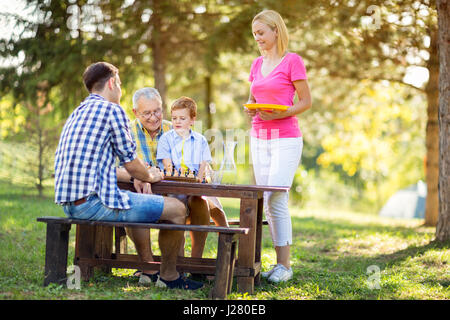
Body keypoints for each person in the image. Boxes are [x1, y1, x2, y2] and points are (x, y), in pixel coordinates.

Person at [54, 62, 203, 290]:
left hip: (69, 203)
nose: (120, 89)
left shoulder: (78, 112)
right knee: (177, 209)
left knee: (139, 201)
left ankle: (151, 269)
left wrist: (139, 174)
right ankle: (169, 277)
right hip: (95, 203)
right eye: (120, 83)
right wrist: (150, 175)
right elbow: (132, 165)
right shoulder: (112, 110)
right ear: (112, 82)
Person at [127, 88, 228, 284]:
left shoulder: (175, 128)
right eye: (146, 113)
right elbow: (121, 166)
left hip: (178, 191)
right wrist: (140, 177)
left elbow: (201, 164)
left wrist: (201, 174)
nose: (153, 117)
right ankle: (148, 267)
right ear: (135, 112)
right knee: (135, 204)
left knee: (200, 201)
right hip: (145, 193)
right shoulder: (127, 133)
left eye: (157, 111)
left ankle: (193, 263)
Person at [245, 10, 312, 283]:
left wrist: (281, 113)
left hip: (285, 138)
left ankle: (285, 265)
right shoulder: (256, 64)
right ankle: (274, 263)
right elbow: (252, 98)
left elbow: (305, 102)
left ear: (276, 31)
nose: (258, 38)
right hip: (259, 137)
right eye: (255, 34)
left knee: (276, 198)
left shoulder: (292, 61)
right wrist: (251, 110)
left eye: (261, 33)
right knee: (265, 201)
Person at [157, 96, 229, 253]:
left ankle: (224, 248)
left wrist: (201, 176)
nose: (177, 121)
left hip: (196, 186)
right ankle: (179, 259)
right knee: (176, 214)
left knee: (211, 206)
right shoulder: (166, 139)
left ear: (192, 120)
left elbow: (203, 164)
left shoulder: (200, 140)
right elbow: (167, 166)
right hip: (174, 187)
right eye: (174, 118)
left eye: (182, 118)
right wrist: (176, 173)